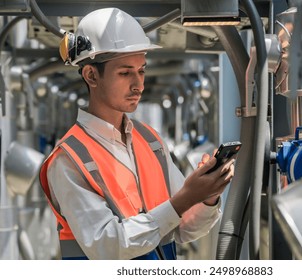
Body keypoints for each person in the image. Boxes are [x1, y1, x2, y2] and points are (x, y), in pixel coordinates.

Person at [39, 7, 236, 260]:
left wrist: (207, 197)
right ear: (91, 75)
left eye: (141, 70)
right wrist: (184, 199)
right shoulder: (68, 160)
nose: (139, 84)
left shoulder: (150, 140)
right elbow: (107, 246)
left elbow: (183, 228)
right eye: (125, 73)